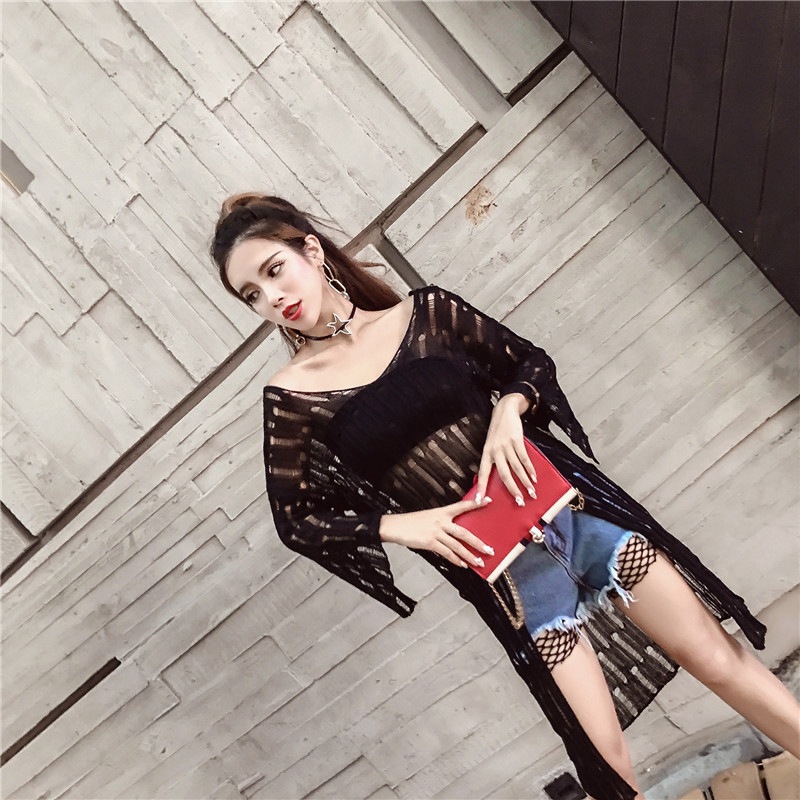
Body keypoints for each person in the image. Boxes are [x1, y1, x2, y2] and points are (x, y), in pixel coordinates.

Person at [210, 193, 799, 800]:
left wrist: (509, 410)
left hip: (577, 518)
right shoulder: (292, 399)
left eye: (274, 270)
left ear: (311, 250)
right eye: (252, 295)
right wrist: (401, 527)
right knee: (606, 758)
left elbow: (529, 363)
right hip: (512, 580)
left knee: (717, 658)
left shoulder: (427, 314)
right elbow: (297, 519)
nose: (272, 297)